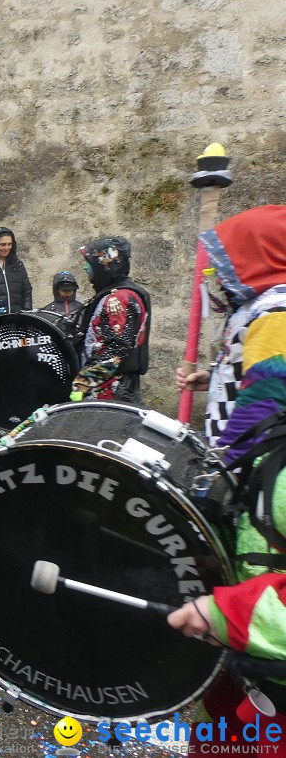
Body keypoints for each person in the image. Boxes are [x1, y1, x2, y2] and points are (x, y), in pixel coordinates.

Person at [167, 205, 286, 751]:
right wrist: (208, 373)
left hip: (257, 478)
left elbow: (267, 395)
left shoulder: (275, 310)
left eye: (222, 266)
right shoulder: (260, 311)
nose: (212, 281)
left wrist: (218, 473)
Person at [69, 237, 150, 403]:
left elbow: (117, 348)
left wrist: (83, 383)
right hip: (108, 388)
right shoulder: (119, 294)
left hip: (110, 391)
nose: (85, 268)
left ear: (105, 265)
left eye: (89, 263)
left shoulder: (119, 298)